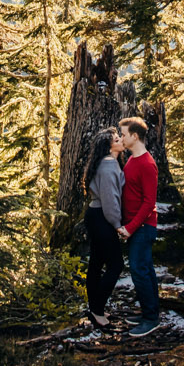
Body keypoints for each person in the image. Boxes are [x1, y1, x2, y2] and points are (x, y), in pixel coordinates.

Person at [115, 116, 160, 336]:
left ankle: (151, 319)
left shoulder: (147, 164)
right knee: (145, 270)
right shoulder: (132, 159)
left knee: (139, 271)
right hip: (135, 227)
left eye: (123, 135)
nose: (121, 138)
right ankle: (149, 312)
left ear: (134, 136)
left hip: (143, 227)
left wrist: (131, 227)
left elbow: (149, 203)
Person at [81, 128, 124, 329]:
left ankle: (94, 308)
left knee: (97, 263)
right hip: (102, 217)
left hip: (95, 215)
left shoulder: (106, 163)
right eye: (117, 139)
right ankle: (97, 310)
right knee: (116, 265)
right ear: (109, 146)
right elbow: (110, 200)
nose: (121, 140)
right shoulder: (108, 166)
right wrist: (117, 225)